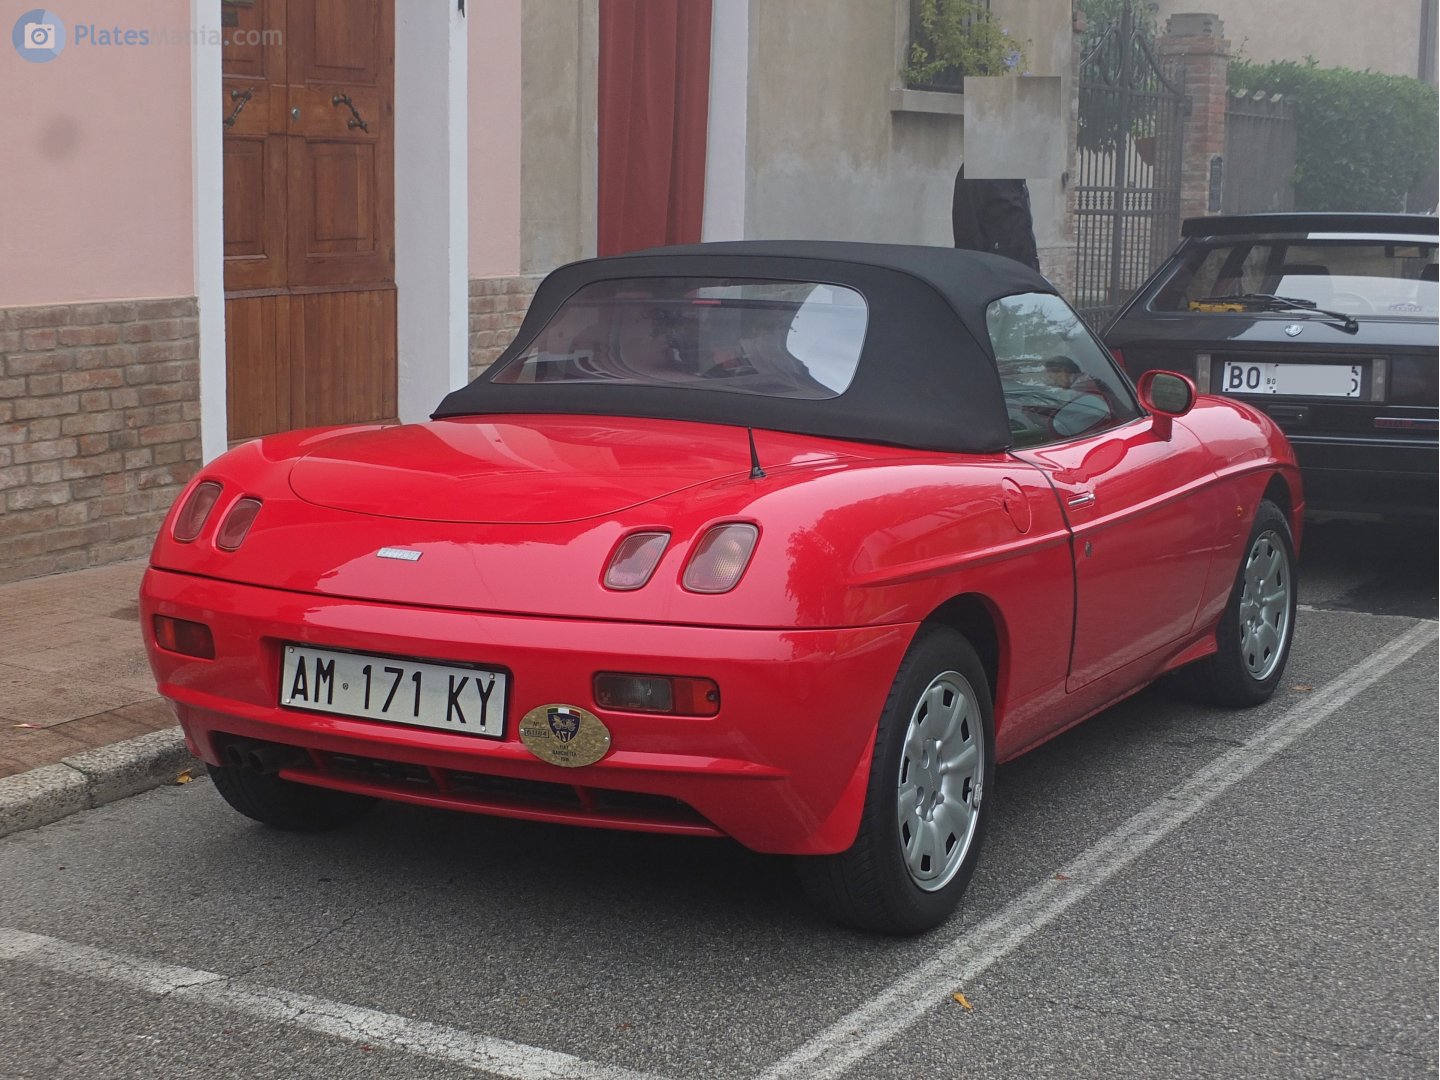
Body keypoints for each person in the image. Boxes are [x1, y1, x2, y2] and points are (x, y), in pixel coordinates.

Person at [951, 164, 1039, 270]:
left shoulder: (1013, 173)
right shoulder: (974, 171)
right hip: (996, 274)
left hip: (1023, 272)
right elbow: (967, 240)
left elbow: (1022, 227)